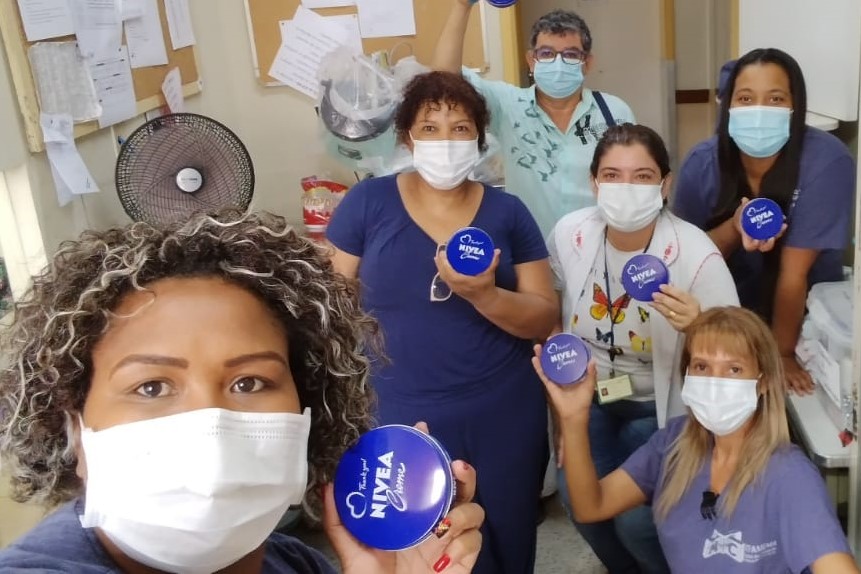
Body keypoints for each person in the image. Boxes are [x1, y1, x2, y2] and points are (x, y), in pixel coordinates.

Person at [0, 211, 485, 574]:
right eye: (151, 387)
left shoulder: (292, 562)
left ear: (308, 408)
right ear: (73, 429)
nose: (209, 425)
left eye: (248, 382)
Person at [327, 71, 557, 574]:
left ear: (479, 138)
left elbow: (544, 315)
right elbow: (330, 305)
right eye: (430, 128)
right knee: (421, 545)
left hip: (504, 409)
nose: (445, 140)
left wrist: (484, 295)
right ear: (407, 137)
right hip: (398, 409)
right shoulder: (368, 203)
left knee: (508, 535)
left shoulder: (508, 212)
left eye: (460, 127)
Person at [536, 306, 859, 573]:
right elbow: (591, 506)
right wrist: (573, 419)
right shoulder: (673, 444)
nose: (715, 382)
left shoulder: (790, 476)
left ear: (762, 382)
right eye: (702, 366)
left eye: (733, 369)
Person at [547, 123, 738, 573]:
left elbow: (739, 348)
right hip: (590, 396)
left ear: (665, 185)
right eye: (612, 175)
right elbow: (553, 305)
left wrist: (698, 326)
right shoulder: (571, 233)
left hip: (659, 406)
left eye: (642, 176)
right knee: (577, 497)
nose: (626, 188)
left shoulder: (696, 252)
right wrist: (564, 416)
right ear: (594, 183)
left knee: (637, 521)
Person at [672, 48, 855, 395]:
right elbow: (688, 259)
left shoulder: (827, 162)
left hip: (802, 321)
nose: (759, 110)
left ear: (795, 106)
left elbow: (794, 274)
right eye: (745, 98)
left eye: (775, 98)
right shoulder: (702, 163)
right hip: (723, 314)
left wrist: (780, 354)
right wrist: (734, 227)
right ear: (727, 105)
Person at [432, 2, 636, 237]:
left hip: (598, 245)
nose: (558, 63)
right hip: (531, 248)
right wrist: (462, 6)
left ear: (587, 63)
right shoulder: (508, 105)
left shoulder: (613, 111)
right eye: (546, 54)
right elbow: (444, 79)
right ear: (531, 60)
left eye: (570, 55)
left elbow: (632, 184)